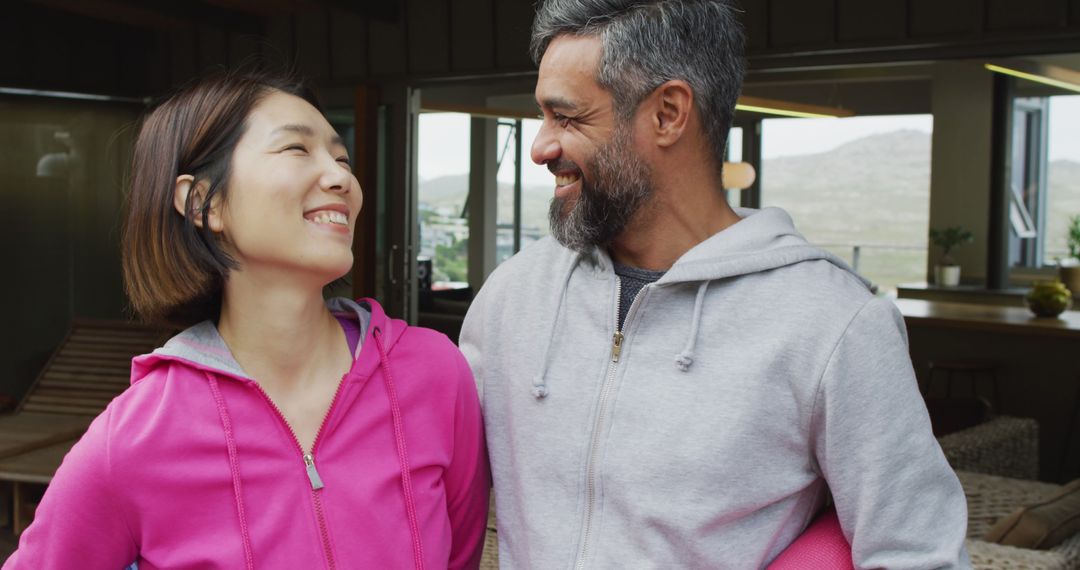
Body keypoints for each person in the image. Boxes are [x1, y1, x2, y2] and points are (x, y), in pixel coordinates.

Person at [458, 0, 969, 567]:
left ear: (668, 114)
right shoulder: (513, 296)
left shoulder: (832, 322)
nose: (540, 147)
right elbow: (429, 482)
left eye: (567, 117)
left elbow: (917, 553)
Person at [5, 69, 489, 569]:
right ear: (203, 203)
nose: (341, 178)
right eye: (297, 149)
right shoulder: (137, 435)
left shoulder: (432, 373)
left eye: (342, 158)